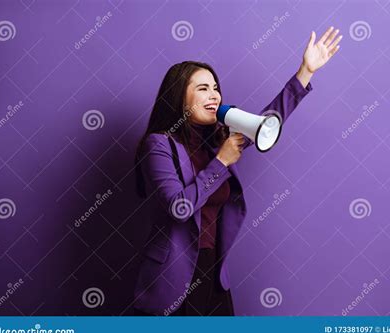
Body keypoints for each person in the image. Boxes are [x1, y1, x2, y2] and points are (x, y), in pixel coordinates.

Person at [133, 27, 342, 316]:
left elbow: (269, 120)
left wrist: (305, 71)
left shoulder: (217, 140)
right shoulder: (159, 144)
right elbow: (178, 208)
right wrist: (220, 163)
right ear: (179, 98)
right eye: (203, 88)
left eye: (216, 87)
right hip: (174, 276)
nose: (214, 95)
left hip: (214, 272)